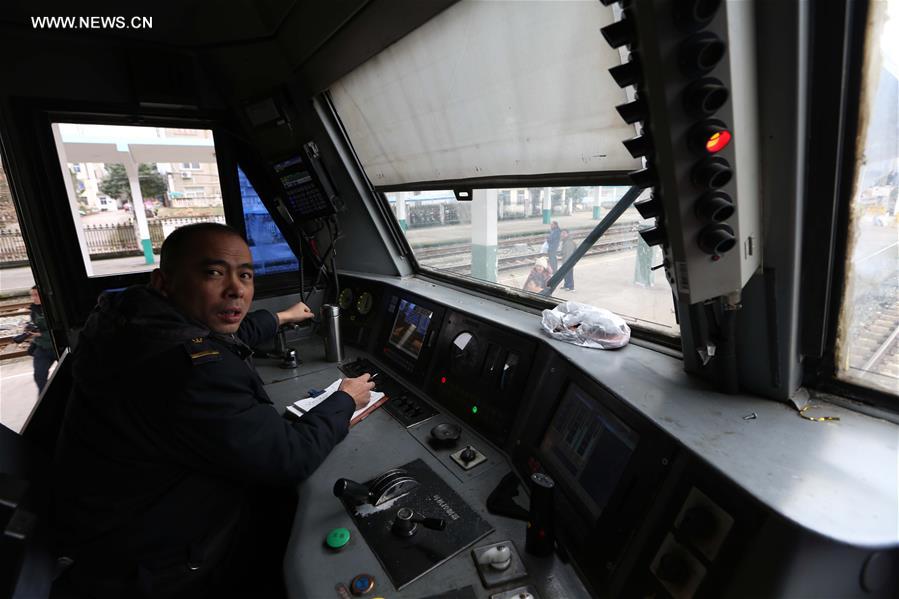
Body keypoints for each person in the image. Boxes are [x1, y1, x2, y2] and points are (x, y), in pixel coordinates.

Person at [51, 223, 374, 599]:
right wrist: (346, 398)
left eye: (246, 275)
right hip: (153, 564)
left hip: (106, 523)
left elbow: (217, 334)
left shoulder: (129, 319)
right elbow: (291, 456)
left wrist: (280, 317)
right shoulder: (191, 373)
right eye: (214, 273)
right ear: (164, 282)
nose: (236, 289)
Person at [22, 285, 56, 393]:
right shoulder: (34, 310)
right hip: (42, 348)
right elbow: (38, 328)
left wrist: (41, 334)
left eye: (36, 295)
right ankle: (45, 400)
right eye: (32, 295)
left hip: (56, 346)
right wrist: (30, 329)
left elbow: (59, 331)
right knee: (39, 377)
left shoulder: (55, 309)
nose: (33, 298)